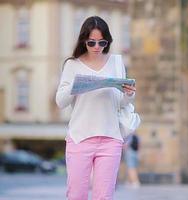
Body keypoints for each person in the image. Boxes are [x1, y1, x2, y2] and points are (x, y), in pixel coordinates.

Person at [55, 16, 136, 200]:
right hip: (80, 138)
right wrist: (76, 86)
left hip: (110, 139)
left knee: (104, 197)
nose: (97, 47)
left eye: (102, 42)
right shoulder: (72, 64)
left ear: (107, 41)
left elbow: (120, 104)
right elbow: (60, 102)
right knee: (76, 195)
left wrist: (129, 94)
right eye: (92, 42)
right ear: (84, 40)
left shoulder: (116, 62)